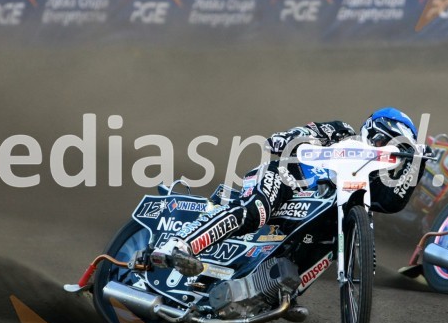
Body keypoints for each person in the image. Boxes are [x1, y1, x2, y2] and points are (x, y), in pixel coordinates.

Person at [151, 109, 428, 275]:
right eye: (386, 141)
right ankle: (180, 245)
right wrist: (288, 138)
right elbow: (303, 133)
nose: (387, 151)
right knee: (254, 212)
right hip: (287, 178)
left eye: (397, 151)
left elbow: (391, 203)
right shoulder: (342, 132)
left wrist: (418, 164)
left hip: (308, 221)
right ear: (371, 130)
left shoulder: (372, 184)